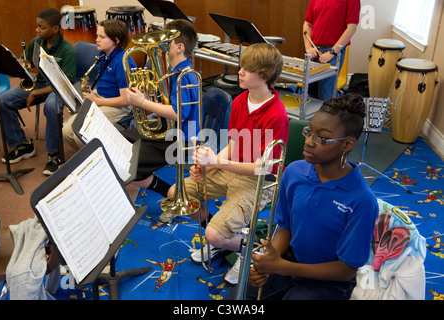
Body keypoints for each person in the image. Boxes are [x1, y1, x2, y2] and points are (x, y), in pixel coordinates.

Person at [226, 94, 378, 300]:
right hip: (289, 260)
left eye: (321, 138)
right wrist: (268, 262)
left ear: (347, 144)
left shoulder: (361, 201)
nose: (308, 142)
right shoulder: (295, 172)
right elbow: (285, 228)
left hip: (330, 282)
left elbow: (347, 270)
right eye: (309, 132)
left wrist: (283, 267)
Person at [169, 42, 289, 284]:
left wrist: (217, 163)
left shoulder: (277, 115)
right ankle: (222, 239)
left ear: (264, 77)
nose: (240, 72)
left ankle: (249, 248)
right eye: (241, 67)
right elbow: (234, 144)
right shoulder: (240, 100)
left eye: (247, 69)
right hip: (231, 170)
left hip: (259, 181)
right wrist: (208, 165)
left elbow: (262, 168)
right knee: (176, 195)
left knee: (213, 233)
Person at [125, 19, 199, 203]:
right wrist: (148, 97)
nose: (162, 46)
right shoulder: (174, 73)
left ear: (179, 47)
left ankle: (168, 192)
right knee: (122, 140)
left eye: (168, 41)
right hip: (168, 131)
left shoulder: (185, 76)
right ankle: (168, 191)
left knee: (128, 163)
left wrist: (142, 102)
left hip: (179, 138)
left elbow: (178, 114)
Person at [0, 8, 77, 175]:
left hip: (59, 89)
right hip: (39, 83)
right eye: (37, 26)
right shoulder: (36, 42)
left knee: (50, 106)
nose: (37, 30)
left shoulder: (67, 50)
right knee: (3, 100)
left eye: (42, 27)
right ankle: (23, 145)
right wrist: (23, 64)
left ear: (55, 29)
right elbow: (27, 61)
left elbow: (65, 85)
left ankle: (53, 154)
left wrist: (34, 93)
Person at [62, 19, 136, 151]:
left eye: (102, 37)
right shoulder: (103, 54)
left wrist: (97, 101)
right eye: (97, 35)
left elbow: (125, 100)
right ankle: (86, 158)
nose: (97, 39)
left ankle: (100, 162)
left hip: (119, 105)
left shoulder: (122, 62)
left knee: (81, 137)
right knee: (67, 131)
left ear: (116, 40)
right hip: (101, 96)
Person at [303, 0, 360, 101]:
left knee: (325, 96)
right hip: (315, 51)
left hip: (333, 53)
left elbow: (351, 28)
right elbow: (307, 24)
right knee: (311, 95)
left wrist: (332, 52)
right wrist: (308, 48)